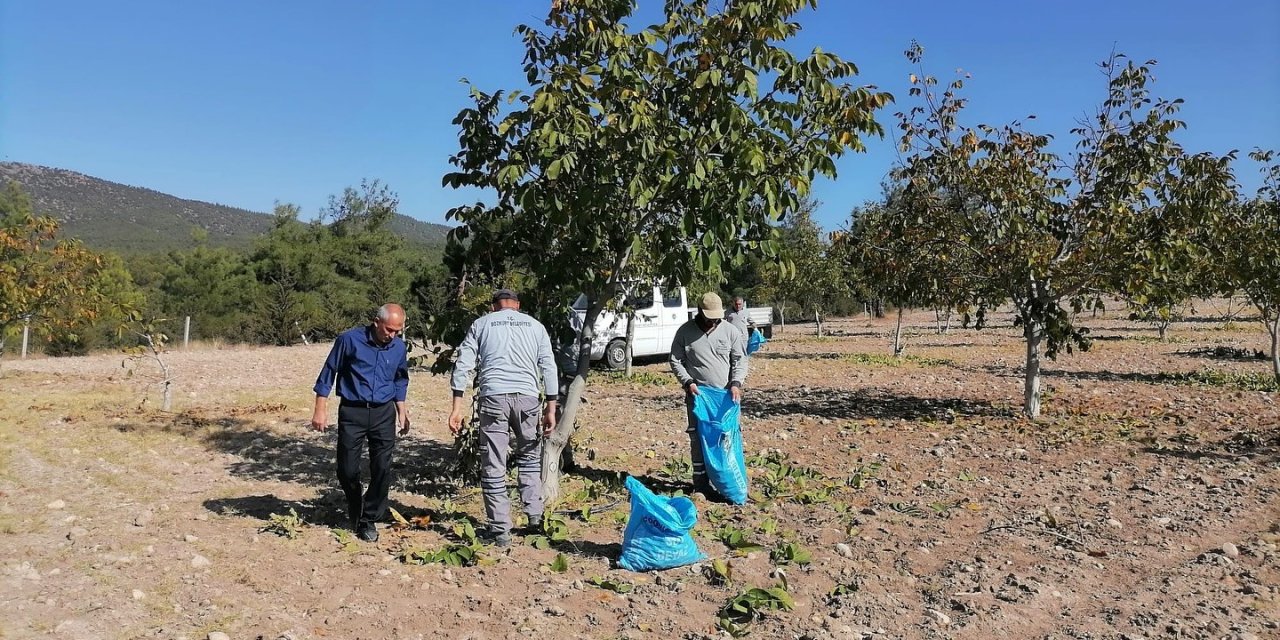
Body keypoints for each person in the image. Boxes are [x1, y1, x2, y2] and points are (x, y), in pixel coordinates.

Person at [449, 289, 558, 547]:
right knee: (529, 458)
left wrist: (456, 407)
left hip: (494, 399)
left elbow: (463, 364)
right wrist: (551, 409)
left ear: (493, 307)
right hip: (528, 399)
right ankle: (534, 518)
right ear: (518, 305)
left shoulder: (481, 324)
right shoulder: (536, 326)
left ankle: (500, 530)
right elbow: (548, 366)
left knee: (494, 463)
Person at [310, 303, 410, 543]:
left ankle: (368, 518)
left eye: (398, 331)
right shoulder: (349, 340)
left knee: (382, 468)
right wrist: (320, 409)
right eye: (389, 330)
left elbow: (400, 379)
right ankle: (355, 503)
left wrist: (402, 411)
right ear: (376, 322)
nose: (392, 335)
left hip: (383, 413)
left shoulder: (398, 347)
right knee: (346, 470)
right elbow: (329, 372)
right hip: (352, 411)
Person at [669, 292, 748, 495]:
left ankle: (727, 481)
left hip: (725, 397)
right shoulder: (685, 332)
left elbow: (740, 360)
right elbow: (675, 360)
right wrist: (688, 382)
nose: (713, 320)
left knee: (725, 438)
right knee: (698, 439)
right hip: (698, 397)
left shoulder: (730, 331)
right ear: (700, 311)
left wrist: (736, 383)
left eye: (716, 316)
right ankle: (701, 484)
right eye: (709, 316)